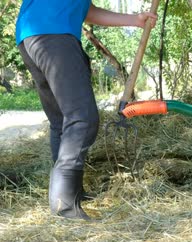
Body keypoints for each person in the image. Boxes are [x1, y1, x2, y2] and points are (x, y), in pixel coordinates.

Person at [15, 1, 157, 220]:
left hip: (31, 35)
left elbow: (85, 9)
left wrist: (133, 20)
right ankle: (65, 206)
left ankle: (69, 193)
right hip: (54, 33)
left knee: (62, 121)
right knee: (82, 118)